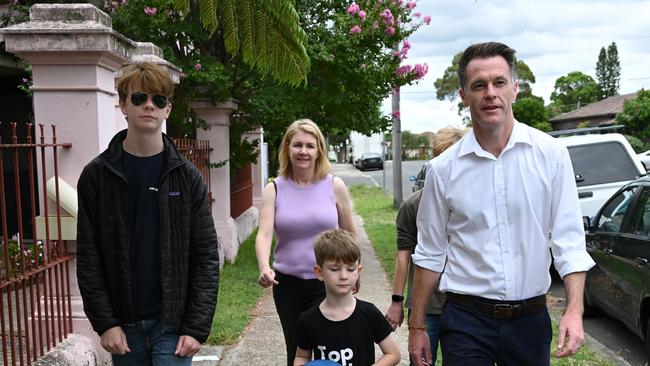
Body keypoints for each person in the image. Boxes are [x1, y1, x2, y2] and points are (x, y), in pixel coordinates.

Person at [407, 42, 596, 366]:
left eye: (499, 82)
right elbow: (430, 253)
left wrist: (574, 311)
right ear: (464, 96)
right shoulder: (443, 169)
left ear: (515, 89)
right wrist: (417, 326)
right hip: (466, 321)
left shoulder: (551, 156)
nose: (490, 93)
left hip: (530, 320)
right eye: (479, 85)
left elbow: (569, 242)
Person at [76, 62, 220, 365]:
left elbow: (205, 256)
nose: (149, 106)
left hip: (174, 325)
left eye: (159, 100)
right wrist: (106, 322)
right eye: (139, 98)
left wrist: (195, 327)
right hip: (125, 326)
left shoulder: (187, 176)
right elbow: (89, 257)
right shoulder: (97, 176)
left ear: (168, 109)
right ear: (123, 105)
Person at [255, 119, 355, 366]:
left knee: (330, 348)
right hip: (288, 284)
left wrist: (353, 271)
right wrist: (263, 266)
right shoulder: (274, 189)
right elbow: (264, 234)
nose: (303, 151)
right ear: (287, 148)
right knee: (298, 350)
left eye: (310, 146)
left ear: (319, 149)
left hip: (327, 282)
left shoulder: (334, 185)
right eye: (297, 145)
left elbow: (349, 233)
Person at [385, 127, 466, 365]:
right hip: (426, 307)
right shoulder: (412, 206)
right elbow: (403, 258)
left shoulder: (472, 203)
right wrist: (397, 301)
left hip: (464, 305)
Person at [294, 229, 401, 366]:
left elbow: (393, 354)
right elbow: (301, 357)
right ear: (319, 272)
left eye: (350, 269)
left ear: (358, 271)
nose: (344, 276)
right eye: (334, 269)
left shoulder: (369, 313)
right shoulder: (308, 319)